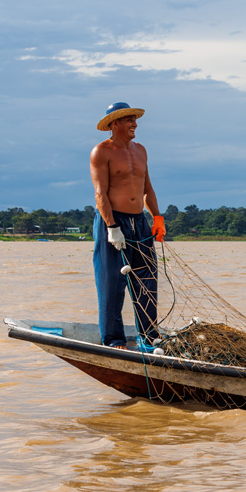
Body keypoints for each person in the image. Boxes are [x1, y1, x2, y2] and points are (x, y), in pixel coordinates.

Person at [89, 102, 167, 348]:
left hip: (139, 223)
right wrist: (112, 227)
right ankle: (114, 340)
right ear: (114, 124)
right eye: (128, 120)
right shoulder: (101, 152)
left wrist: (157, 217)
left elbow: (148, 188)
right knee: (112, 283)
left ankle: (148, 336)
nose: (135, 124)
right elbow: (100, 194)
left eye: (135, 119)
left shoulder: (141, 150)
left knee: (147, 280)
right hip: (113, 221)